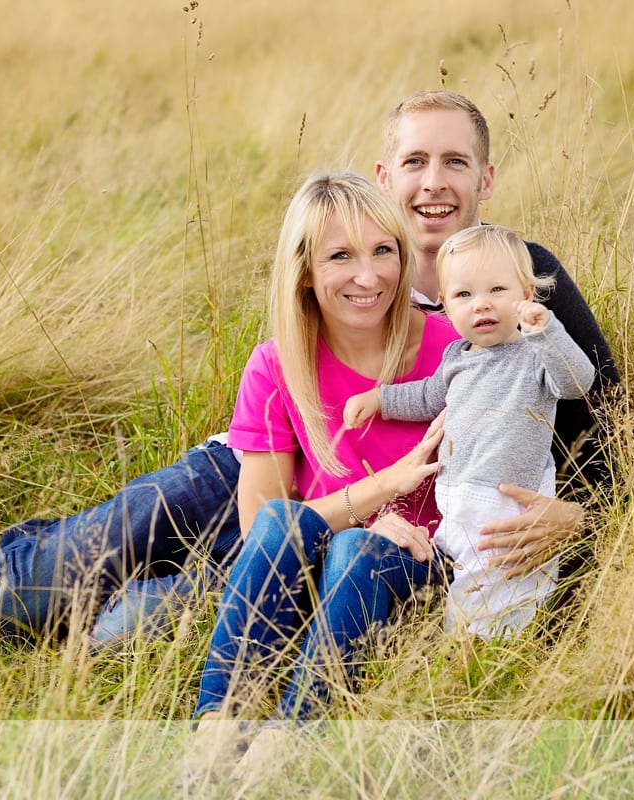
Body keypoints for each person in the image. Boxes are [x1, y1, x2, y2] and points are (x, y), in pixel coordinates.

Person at [0, 89, 619, 646]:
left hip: (357, 514)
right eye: (415, 162)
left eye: (456, 162)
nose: (434, 182)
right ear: (384, 178)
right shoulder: (348, 261)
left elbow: (601, 417)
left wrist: (579, 515)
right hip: (261, 463)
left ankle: (149, 599)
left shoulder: (518, 281)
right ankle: (18, 560)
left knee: (137, 628)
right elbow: (289, 376)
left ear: (486, 178)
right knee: (28, 594)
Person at [192, 169, 454, 736]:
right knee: (126, 622)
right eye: (341, 256)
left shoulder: (455, 352)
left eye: (384, 250)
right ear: (306, 272)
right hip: (308, 573)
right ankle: (216, 730)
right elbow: (262, 527)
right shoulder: (276, 364)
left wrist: (380, 528)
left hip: (419, 571)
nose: (369, 275)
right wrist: (381, 490)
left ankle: (285, 744)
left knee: (358, 550)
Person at [343, 224, 595, 638]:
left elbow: (576, 382)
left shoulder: (534, 354)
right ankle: (456, 646)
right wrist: (380, 399)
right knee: (462, 583)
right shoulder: (457, 356)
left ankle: (497, 648)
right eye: (464, 295)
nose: (482, 306)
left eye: (497, 290)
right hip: (456, 500)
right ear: (444, 304)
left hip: (509, 501)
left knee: (503, 582)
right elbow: (426, 397)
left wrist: (545, 329)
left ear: (526, 294)